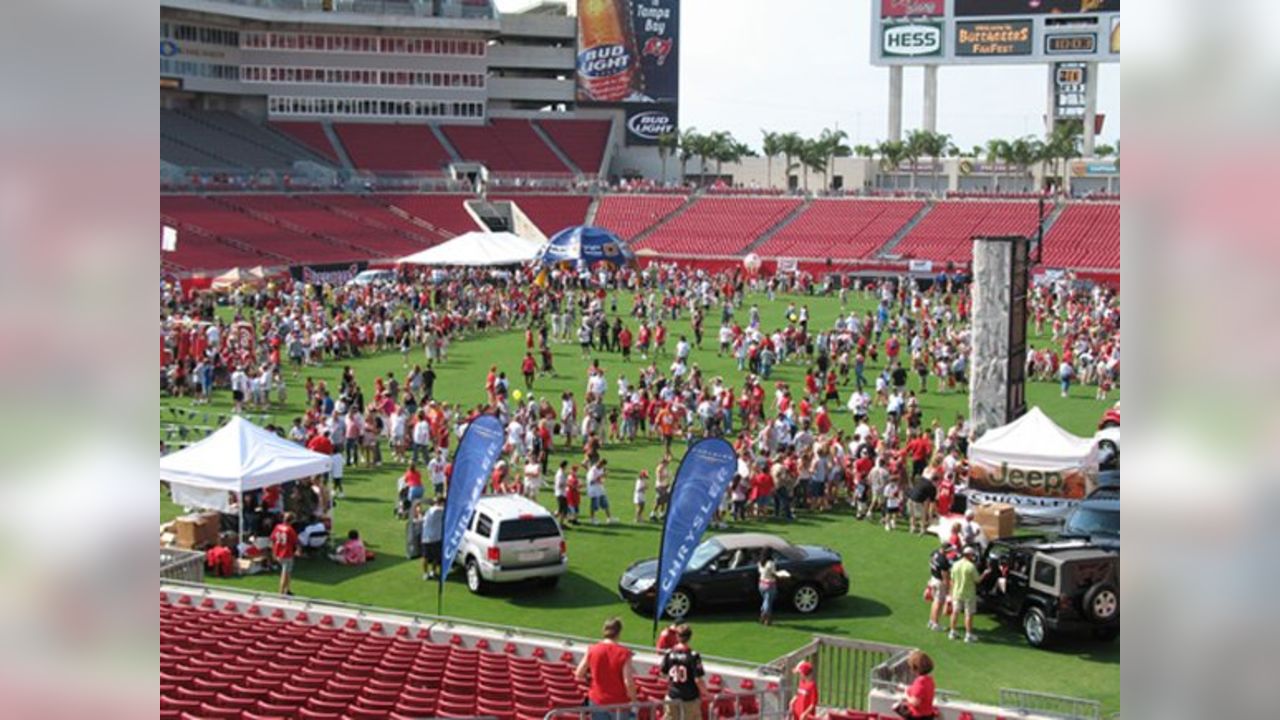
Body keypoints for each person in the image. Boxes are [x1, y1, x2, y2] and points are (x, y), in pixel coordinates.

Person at [575, 618, 636, 719]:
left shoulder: (592, 649)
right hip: (618, 703)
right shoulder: (624, 653)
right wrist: (634, 701)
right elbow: (628, 682)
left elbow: (579, 673)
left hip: (597, 701)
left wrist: (592, 676)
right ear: (619, 632)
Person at [659, 624, 706, 720]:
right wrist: (706, 693)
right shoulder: (693, 656)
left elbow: (663, 674)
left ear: (677, 636)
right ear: (690, 637)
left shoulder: (669, 653)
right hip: (690, 697)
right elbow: (698, 679)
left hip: (672, 694)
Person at [948, 546, 979, 643]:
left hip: (956, 593)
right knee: (968, 614)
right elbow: (977, 580)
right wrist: (986, 573)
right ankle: (968, 635)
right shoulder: (971, 566)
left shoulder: (955, 564)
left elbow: (952, 580)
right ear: (969, 555)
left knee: (955, 612)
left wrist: (951, 592)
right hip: (968, 594)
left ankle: (952, 632)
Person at [895, 650, 937, 720]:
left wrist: (906, 695)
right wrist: (906, 688)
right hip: (928, 715)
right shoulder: (929, 680)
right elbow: (920, 691)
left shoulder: (920, 681)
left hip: (918, 716)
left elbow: (915, 702)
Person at [270, 512, 298, 596]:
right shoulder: (290, 530)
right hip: (286, 552)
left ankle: (287, 589)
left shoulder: (277, 527)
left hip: (278, 551)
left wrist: (273, 552)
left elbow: (273, 539)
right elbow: (295, 541)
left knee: (288, 572)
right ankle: (281, 592)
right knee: (285, 573)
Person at [757, 550, 788, 626]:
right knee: (768, 603)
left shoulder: (761, 562)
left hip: (761, 584)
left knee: (766, 601)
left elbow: (761, 571)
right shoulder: (770, 563)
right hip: (769, 585)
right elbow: (773, 574)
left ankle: (766, 618)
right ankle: (765, 617)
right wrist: (782, 575)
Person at [926, 542, 952, 633]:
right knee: (939, 603)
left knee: (935, 601)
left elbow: (931, 561)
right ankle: (935, 623)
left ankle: (931, 621)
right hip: (939, 581)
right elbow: (944, 575)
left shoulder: (935, 552)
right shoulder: (943, 560)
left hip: (933, 578)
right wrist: (948, 588)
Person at [421, 496, 445, 580]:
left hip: (432, 537)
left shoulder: (430, 510)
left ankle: (432, 572)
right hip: (429, 537)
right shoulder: (437, 510)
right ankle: (426, 573)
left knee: (434, 557)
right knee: (426, 557)